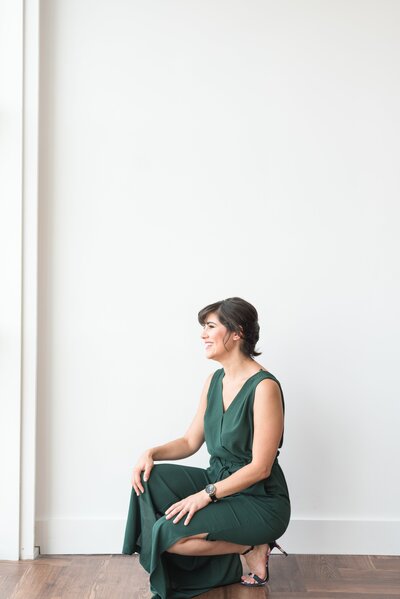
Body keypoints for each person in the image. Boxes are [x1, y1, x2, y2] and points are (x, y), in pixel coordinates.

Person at [122, 297, 291, 598]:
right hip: (218, 479)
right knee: (150, 479)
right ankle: (238, 552)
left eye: (210, 326)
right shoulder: (214, 380)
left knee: (167, 534)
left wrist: (205, 495)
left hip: (259, 499)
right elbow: (190, 442)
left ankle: (252, 546)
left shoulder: (265, 387)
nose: (203, 335)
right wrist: (150, 453)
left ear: (237, 332)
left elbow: (261, 468)